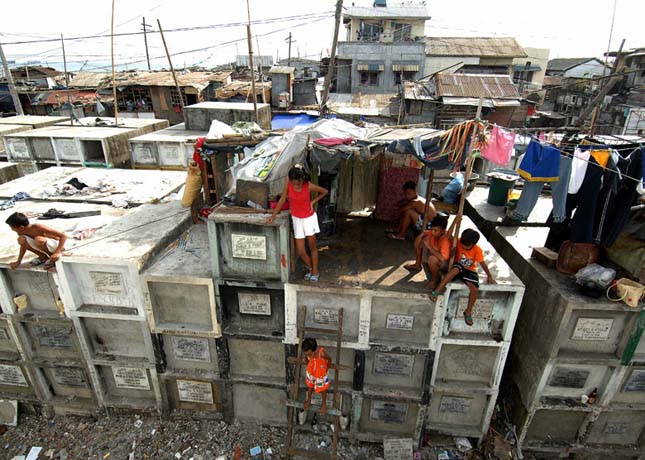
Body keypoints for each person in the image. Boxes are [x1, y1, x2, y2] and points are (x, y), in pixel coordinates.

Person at [266, 164, 328, 282]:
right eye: (293, 183)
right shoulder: (288, 183)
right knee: (301, 251)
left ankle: (315, 271)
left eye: (297, 183)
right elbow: (283, 198)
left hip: (309, 219)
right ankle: (310, 267)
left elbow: (324, 191)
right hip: (297, 219)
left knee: (312, 247)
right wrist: (273, 216)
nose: (295, 185)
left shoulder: (308, 185)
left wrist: (312, 202)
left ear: (302, 179)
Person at [429, 228, 496, 326]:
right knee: (455, 270)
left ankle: (468, 312)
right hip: (458, 266)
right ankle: (437, 291)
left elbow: (482, 263)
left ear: (473, 244)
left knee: (474, 289)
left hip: (469, 270)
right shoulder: (458, 241)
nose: (464, 247)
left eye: (466, 246)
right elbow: (449, 235)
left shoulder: (477, 250)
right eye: (463, 245)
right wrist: (456, 220)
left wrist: (489, 276)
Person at [404, 214, 453, 290]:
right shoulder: (432, 233)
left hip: (446, 264)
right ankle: (417, 265)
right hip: (437, 256)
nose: (433, 232)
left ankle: (434, 280)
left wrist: (429, 247)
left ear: (443, 231)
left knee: (432, 259)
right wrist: (422, 235)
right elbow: (417, 243)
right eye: (432, 229)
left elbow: (443, 258)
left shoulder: (445, 240)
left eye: (435, 230)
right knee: (422, 241)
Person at [302, 337, 331, 415]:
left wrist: (326, 369)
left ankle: (324, 404)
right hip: (311, 369)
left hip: (320, 372)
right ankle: (308, 400)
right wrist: (306, 359)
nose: (307, 354)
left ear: (313, 350)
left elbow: (329, 359)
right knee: (310, 385)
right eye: (305, 353)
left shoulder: (321, 353)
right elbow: (306, 356)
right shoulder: (307, 353)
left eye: (308, 353)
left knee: (323, 388)